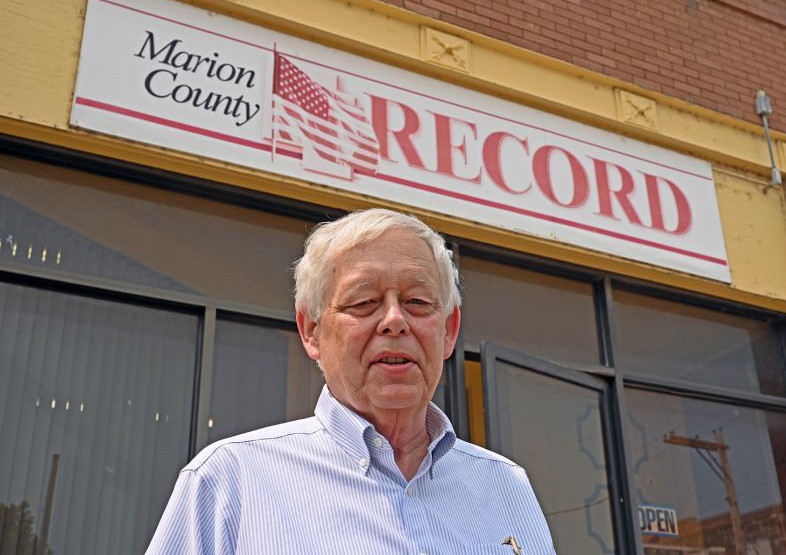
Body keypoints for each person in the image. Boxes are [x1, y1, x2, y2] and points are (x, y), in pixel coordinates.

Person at [146, 208, 556, 554]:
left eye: (417, 301)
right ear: (311, 331)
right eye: (364, 302)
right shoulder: (229, 481)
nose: (395, 321)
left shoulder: (506, 486)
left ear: (448, 331)